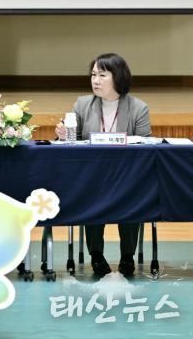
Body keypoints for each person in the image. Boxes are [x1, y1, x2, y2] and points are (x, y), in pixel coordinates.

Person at [55, 52, 151, 277]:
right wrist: (62, 134)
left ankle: (127, 256)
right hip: (92, 176)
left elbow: (147, 146)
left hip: (127, 176)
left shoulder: (138, 108)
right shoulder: (82, 104)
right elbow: (73, 142)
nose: (95, 80)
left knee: (133, 198)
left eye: (102, 75)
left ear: (118, 77)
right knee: (91, 198)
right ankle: (96, 255)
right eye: (93, 75)